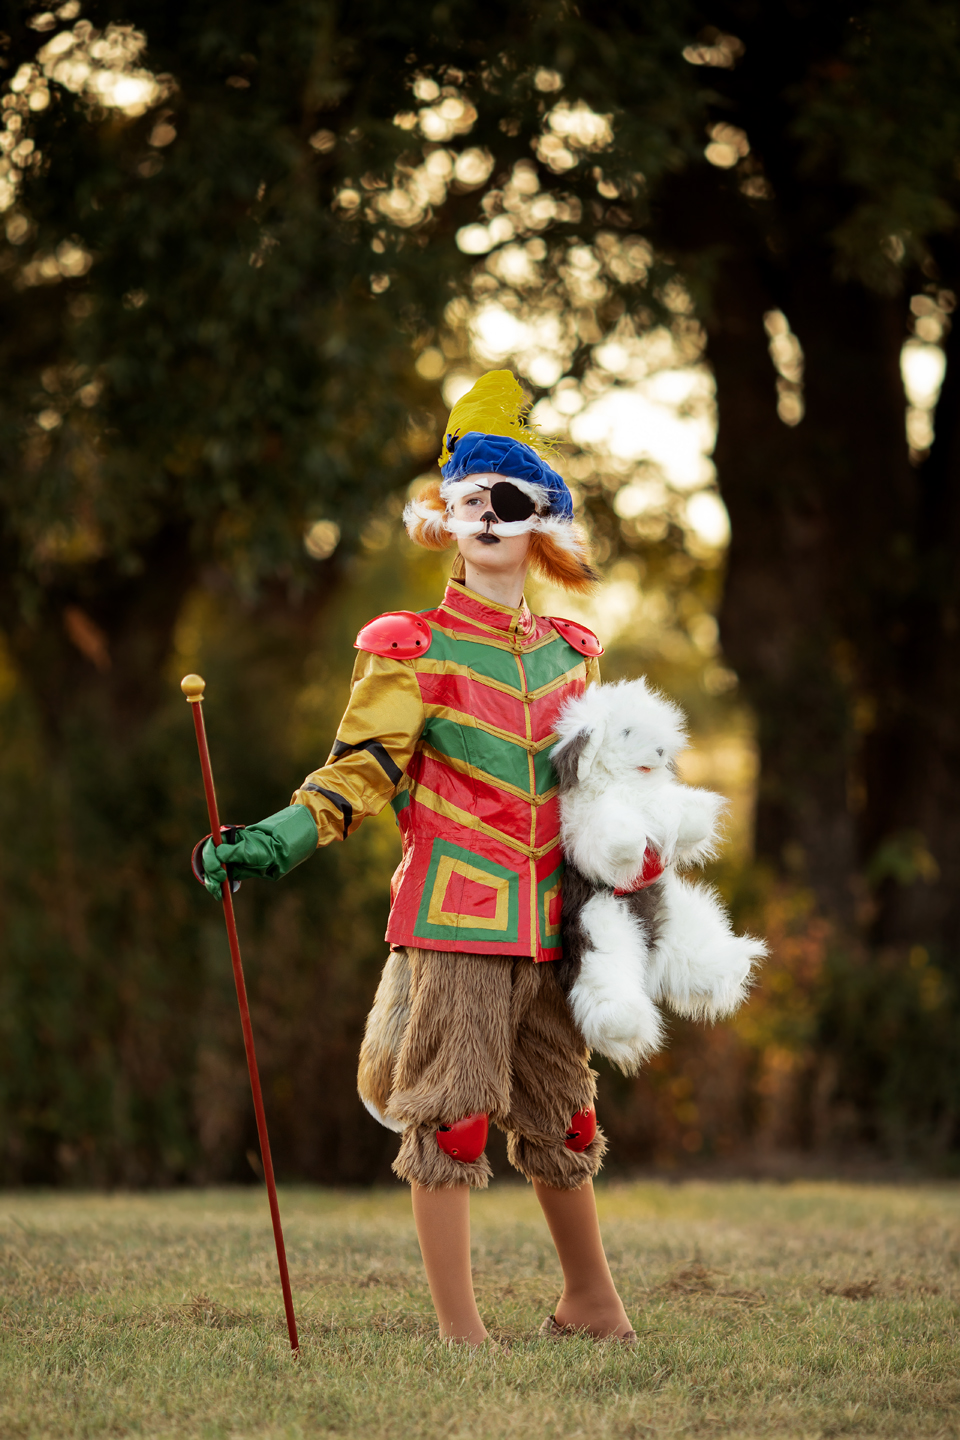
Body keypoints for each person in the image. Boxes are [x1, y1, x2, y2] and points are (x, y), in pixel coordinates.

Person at [199, 371, 636, 1346]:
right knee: (453, 1118)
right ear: (444, 517)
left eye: (507, 501)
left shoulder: (574, 651)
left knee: (564, 1119)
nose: (485, 514)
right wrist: (282, 835)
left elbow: (589, 788)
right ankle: (461, 1332)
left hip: (551, 922)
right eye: (468, 500)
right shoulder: (410, 643)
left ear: (539, 523)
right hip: (456, 915)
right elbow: (363, 769)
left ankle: (592, 1303)